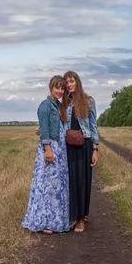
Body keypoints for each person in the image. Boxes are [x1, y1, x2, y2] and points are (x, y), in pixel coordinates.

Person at [21, 75, 70, 234]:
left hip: (59, 150)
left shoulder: (57, 106)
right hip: (51, 149)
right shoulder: (45, 105)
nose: (60, 91)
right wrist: (48, 149)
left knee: (56, 187)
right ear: (51, 88)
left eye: (62, 88)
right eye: (57, 87)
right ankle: (44, 222)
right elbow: (45, 131)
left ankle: (55, 220)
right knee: (46, 187)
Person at [62, 70, 99, 233]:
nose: (69, 84)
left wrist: (95, 149)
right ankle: (76, 217)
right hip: (69, 145)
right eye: (67, 82)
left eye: (71, 81)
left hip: (85, 144)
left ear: (77, 82)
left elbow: (93, 125)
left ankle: (82, 216)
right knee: (73, 180)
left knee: (84, 181)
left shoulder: (88, 101)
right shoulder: (63, 103)